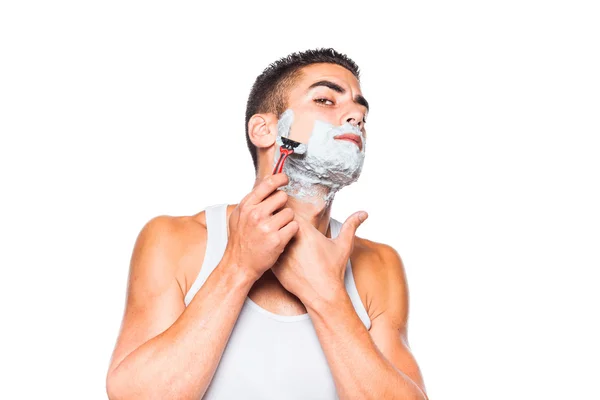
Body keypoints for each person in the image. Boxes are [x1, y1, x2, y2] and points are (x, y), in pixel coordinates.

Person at [106, 47, 428, 400]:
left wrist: (327, 296)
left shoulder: (378, 264)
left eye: (361, 110)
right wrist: (238, 266)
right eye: (325, 100)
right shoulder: (174, 240)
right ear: (264, 130)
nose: (356, 116)